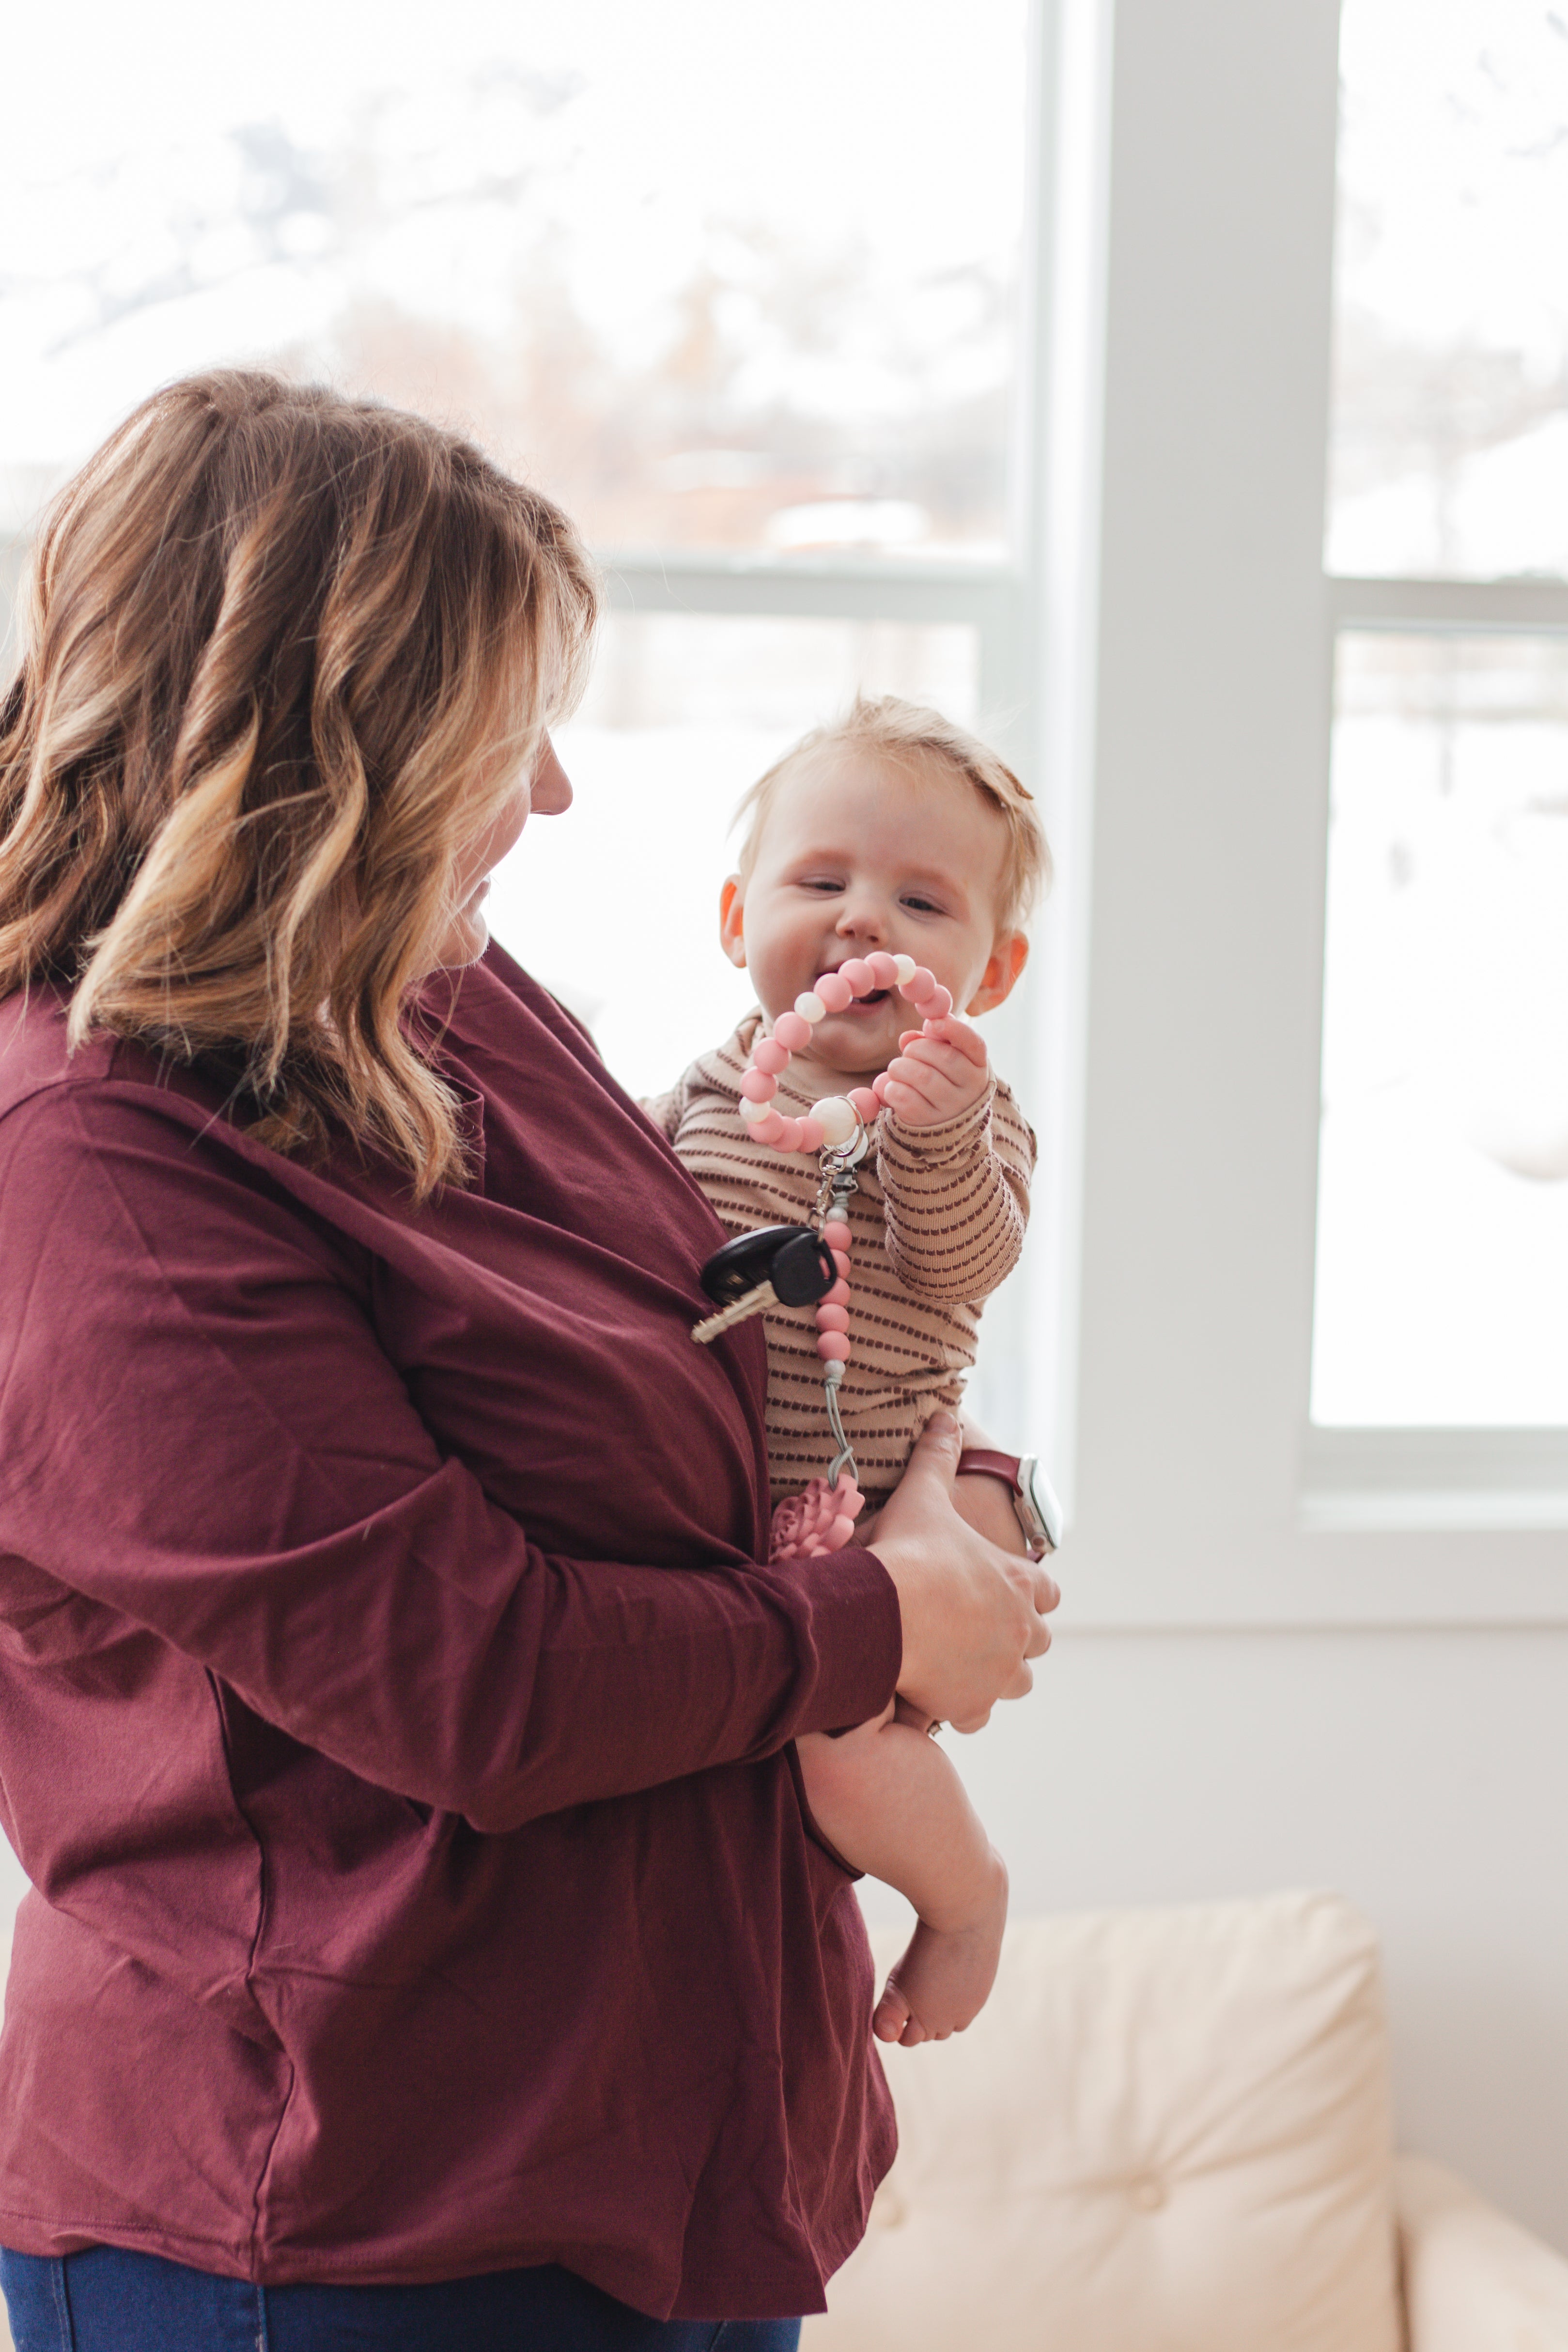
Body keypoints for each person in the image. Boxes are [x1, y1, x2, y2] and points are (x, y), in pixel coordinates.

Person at [0, 371, 1057, 2352]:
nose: (556, 790)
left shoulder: (445, 997)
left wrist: (938, 1500)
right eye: (510, 725)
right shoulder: (89, 1156)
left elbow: (729, 1375)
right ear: (331, 735)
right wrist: (879, 1615)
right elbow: (467, 1674)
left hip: (662, 2155)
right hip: (346, 2214)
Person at [645, 701, 1048, 2054]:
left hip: (878, 1509)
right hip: (730, 1529)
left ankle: (964, 1900)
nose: (864, 921)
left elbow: (965, 1267)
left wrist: (936, 1138)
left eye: (921, 903)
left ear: (990, 971)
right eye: (822, 883)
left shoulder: (965, 1117)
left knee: (842, 1744)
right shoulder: (692, 1098)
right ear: (733, 918)